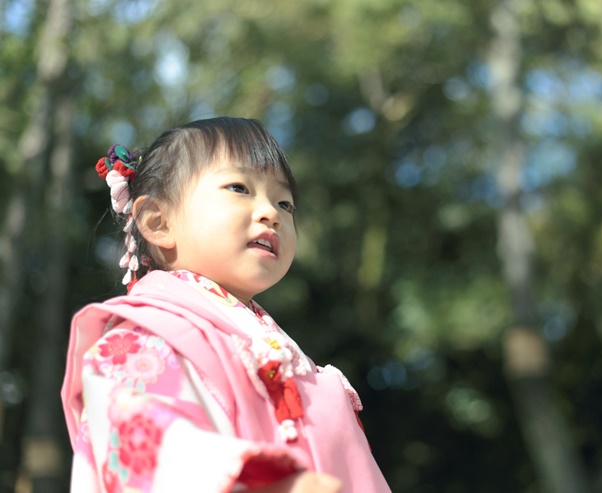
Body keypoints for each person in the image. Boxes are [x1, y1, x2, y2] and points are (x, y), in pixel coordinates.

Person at [61, 117, 392, 493]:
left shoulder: (282, 354)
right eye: (239, 187)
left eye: (285, 203)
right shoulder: (143, 341)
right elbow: (144, 442)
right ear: (158, 221)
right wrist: (264, 483)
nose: (272, 213)